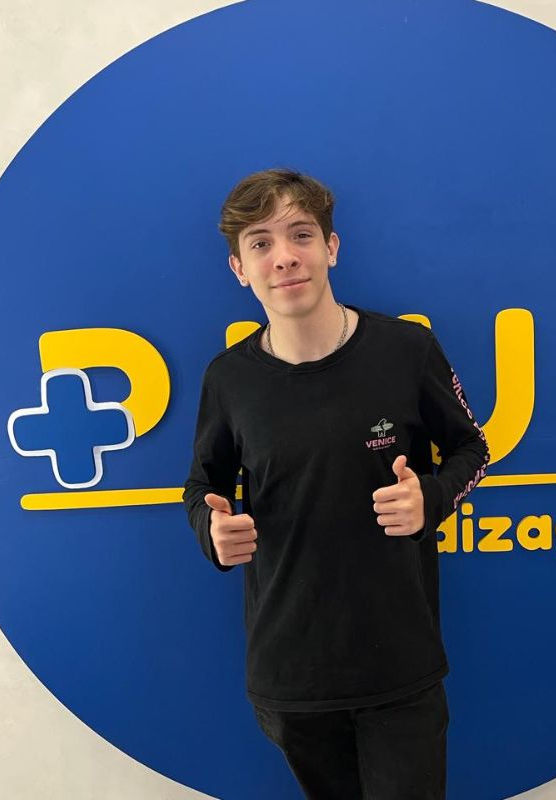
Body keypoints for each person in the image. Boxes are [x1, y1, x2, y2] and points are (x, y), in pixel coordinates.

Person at [182, 168, 490, 799]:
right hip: (290, 674)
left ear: (331, 247)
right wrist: (212, 531)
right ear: (239, 268)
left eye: (301, 234)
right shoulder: (229, 379)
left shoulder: (406, 350)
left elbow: (473, 449)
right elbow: (200, 486)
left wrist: (430, 498)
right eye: (261, 243)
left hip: (399, 664)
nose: (284, 257)